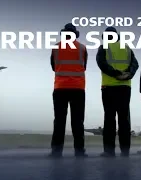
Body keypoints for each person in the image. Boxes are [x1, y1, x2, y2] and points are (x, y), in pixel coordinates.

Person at [96, 27, 139, 157]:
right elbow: (135, 64)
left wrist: (115, 74)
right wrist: (128, 75)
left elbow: (102, 63)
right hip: (125, 87)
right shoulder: (126, 48)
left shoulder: (104, 48)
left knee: (109, 119)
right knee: (124, 119)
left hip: (109, 87)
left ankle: (109, 151)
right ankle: (125, 151)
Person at [49, 23, 88, 158]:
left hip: (60, 87)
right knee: (78, 121)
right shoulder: (82, 48)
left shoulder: (56, 48)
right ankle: (79, 151)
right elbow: (84, 66)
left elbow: (54, 66)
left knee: (59, 120)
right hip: (78, 88)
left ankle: (56, 151)